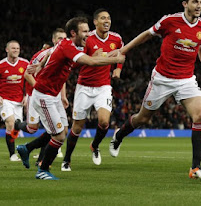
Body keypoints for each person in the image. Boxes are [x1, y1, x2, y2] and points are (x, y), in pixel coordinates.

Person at [109, 0, 201, 180]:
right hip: (162, 79)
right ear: (185, 4)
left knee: (199, 116)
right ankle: (119, 135)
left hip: (186, 80)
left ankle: (195, 168)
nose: (199, 5)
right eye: (194, 2)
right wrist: (123, 50)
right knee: (142, 119)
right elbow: (146, 34)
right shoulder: (169, 21)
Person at [18, 17, 125, 180]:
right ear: (73, 33)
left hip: (52, 96)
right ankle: (42, 170)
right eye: (84, 31)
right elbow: (89, 61)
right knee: (59, 136)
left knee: (63, 131)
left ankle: (27, 148)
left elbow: (56, 56)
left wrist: (41, 65)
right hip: (44, 96)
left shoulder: (69, 47)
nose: (88, 35)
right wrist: (115, 60)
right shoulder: (68, 46)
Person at [61, 8, 124, 171]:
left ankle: (94, 146)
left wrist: (118, 68)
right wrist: (93, 57)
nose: (107, 21)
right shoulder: (87, 39)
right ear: (95, 22)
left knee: (104, 122)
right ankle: (66, 160)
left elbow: (121, 53)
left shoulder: (116, 38)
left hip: (103, 86)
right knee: (77, 127)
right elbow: (74, 63)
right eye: (103, 18)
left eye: (109, 18)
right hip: (84, 87)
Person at [16, 29, 67, 168]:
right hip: (37, 95)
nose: (62, 41)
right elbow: (27, 74)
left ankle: (38, 158)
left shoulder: (64, 55)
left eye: (64, 38)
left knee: (58, 130)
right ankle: (18, 126)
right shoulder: (43, 54)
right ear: (53, 40)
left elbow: (62, 77)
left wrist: (63, 96)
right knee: (34, 129)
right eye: (59, 38)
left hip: (53, 96)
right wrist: (39, 88)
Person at [0, 40, 29, 161]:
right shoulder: (1, 65)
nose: (16, 50)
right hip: (4, 100)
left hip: (19, 101)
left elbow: (29, 81)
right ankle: (12, 154)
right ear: (7, 50)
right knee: (10, 123)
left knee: (16, 127)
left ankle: (13, 148)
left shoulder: (25, 63)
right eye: (13, 48)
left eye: (17, 48)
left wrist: (26, 95)